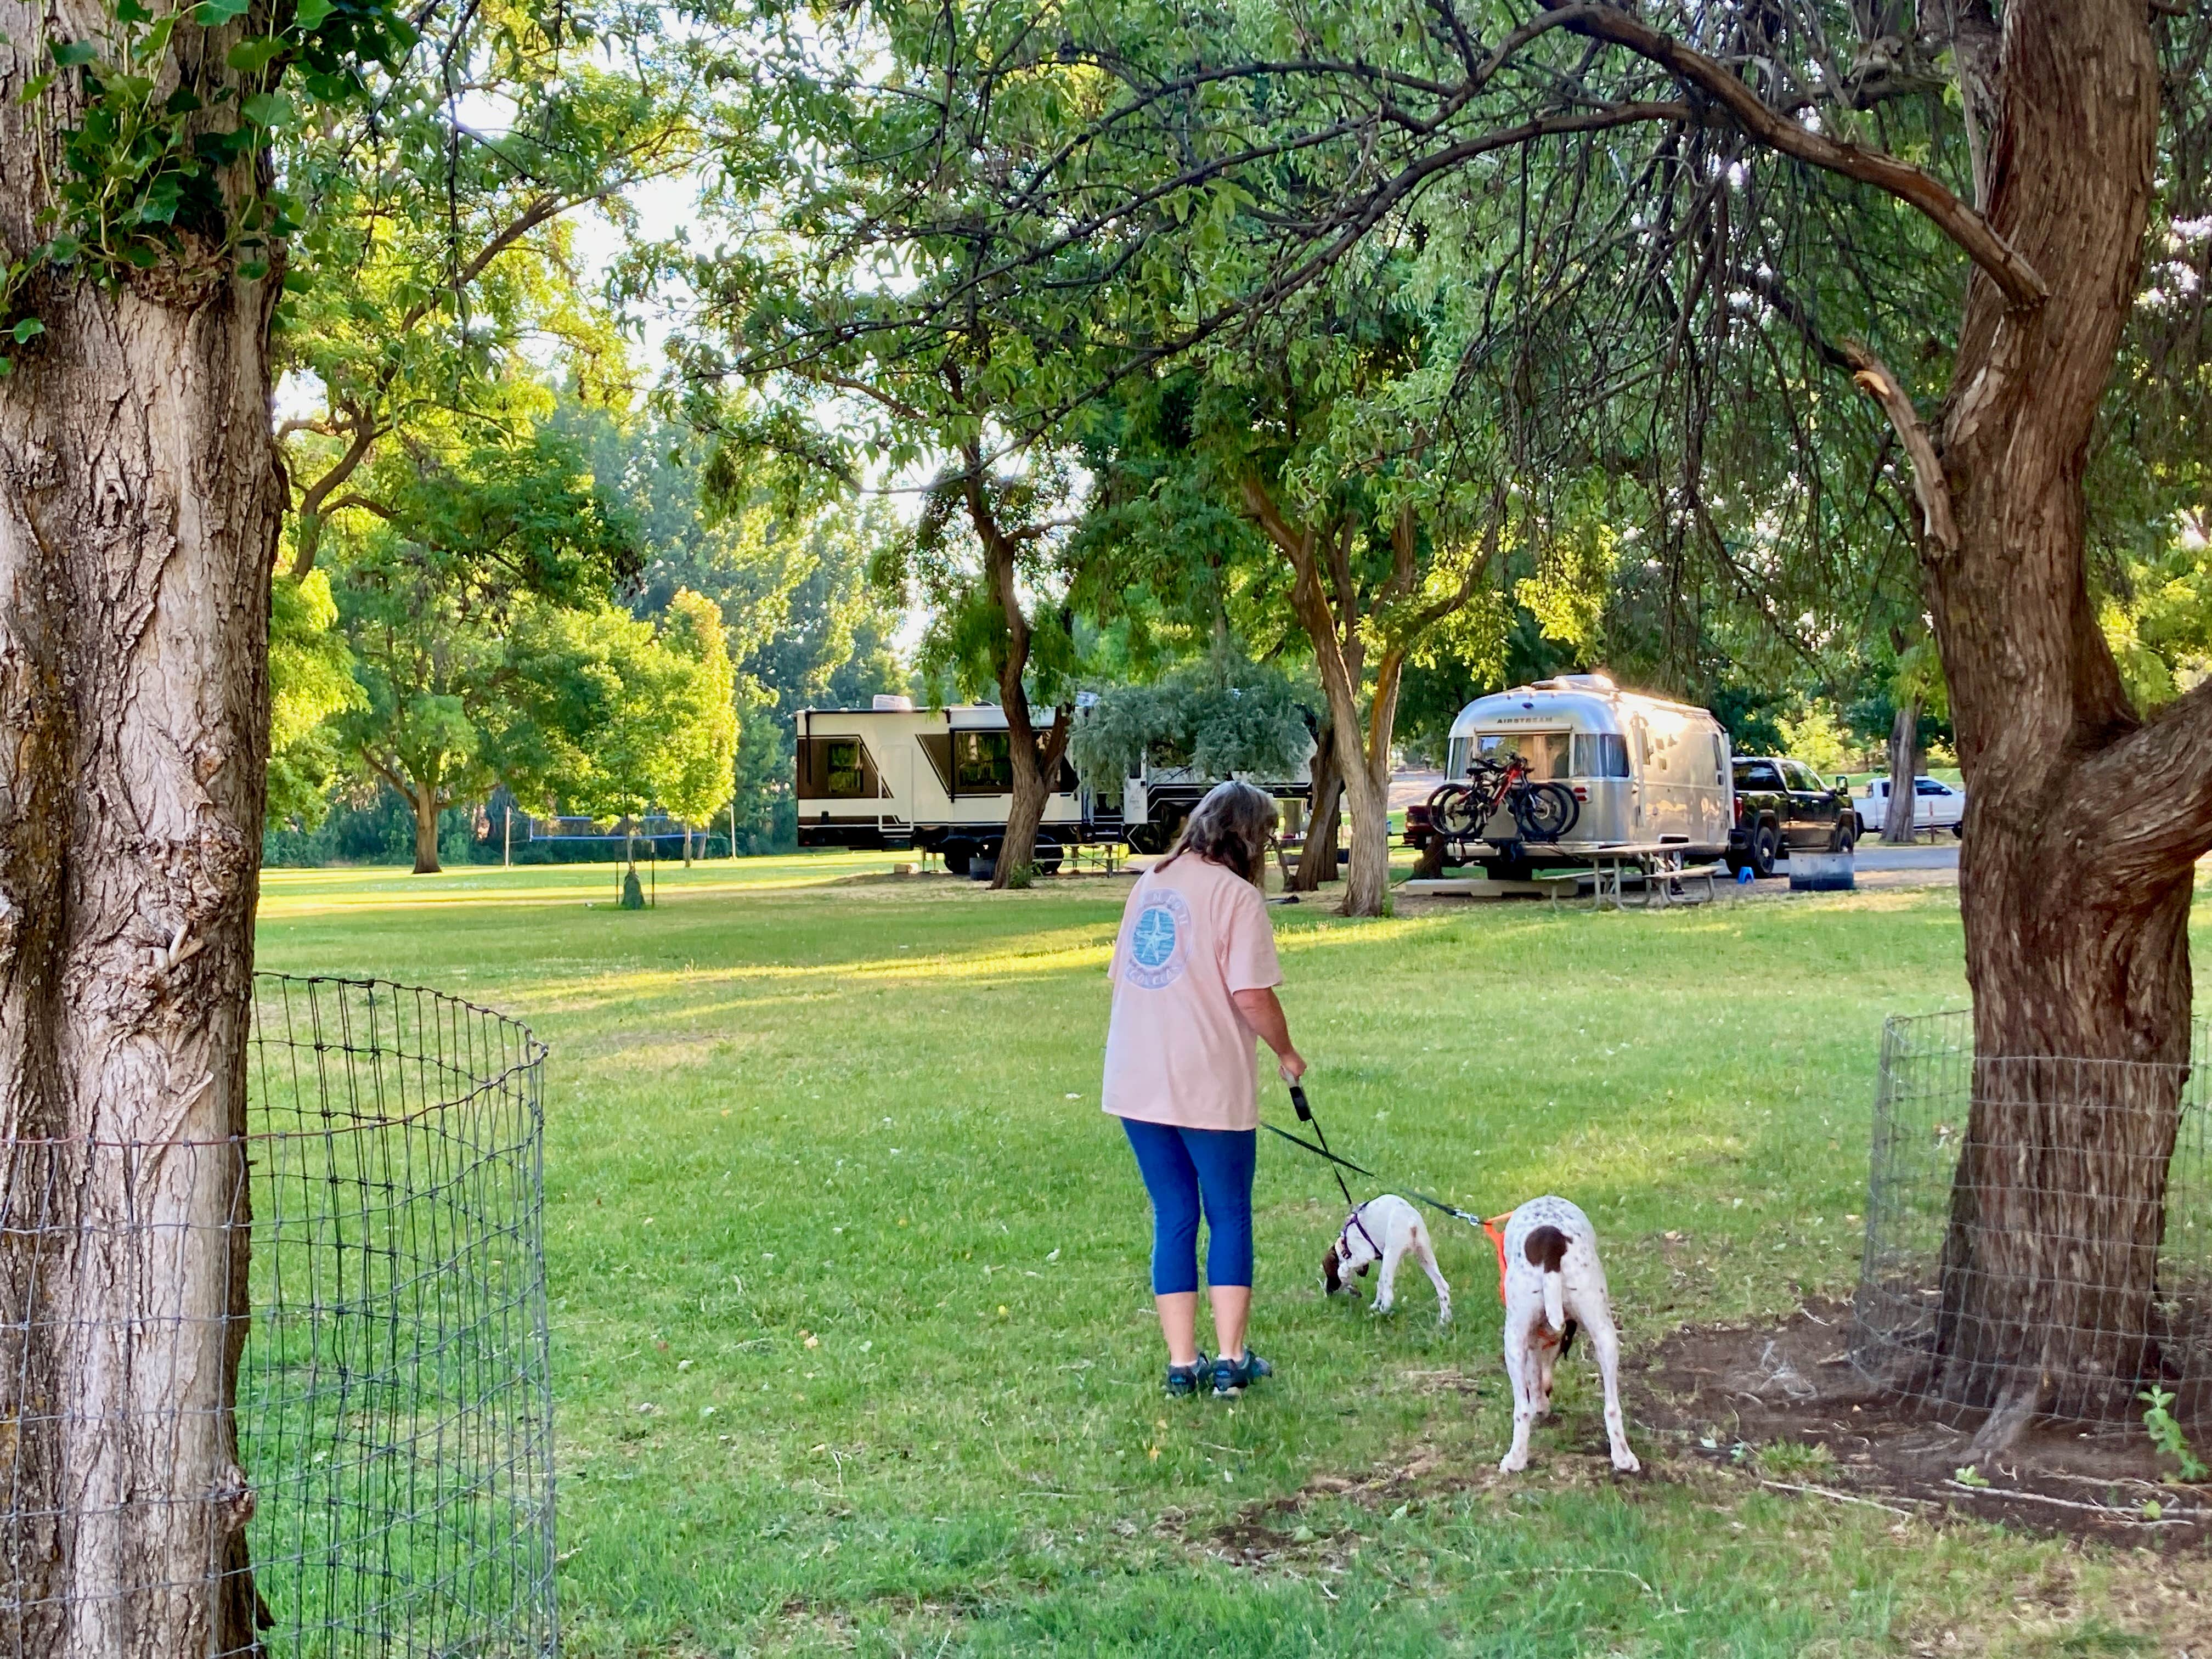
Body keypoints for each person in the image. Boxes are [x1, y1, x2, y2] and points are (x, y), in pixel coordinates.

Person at [1101, 779, 1305, 1398]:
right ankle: (1230, 1360)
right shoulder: (1237, 897)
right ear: (1249, 837)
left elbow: (1126, 978)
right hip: (1207, 1084)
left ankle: (1182, 1363)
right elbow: (1250, 995)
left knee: (1174, 1216)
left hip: (1138, 1080)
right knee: (1229, 1215)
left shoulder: (1149, 884)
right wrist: (1288, 1053)